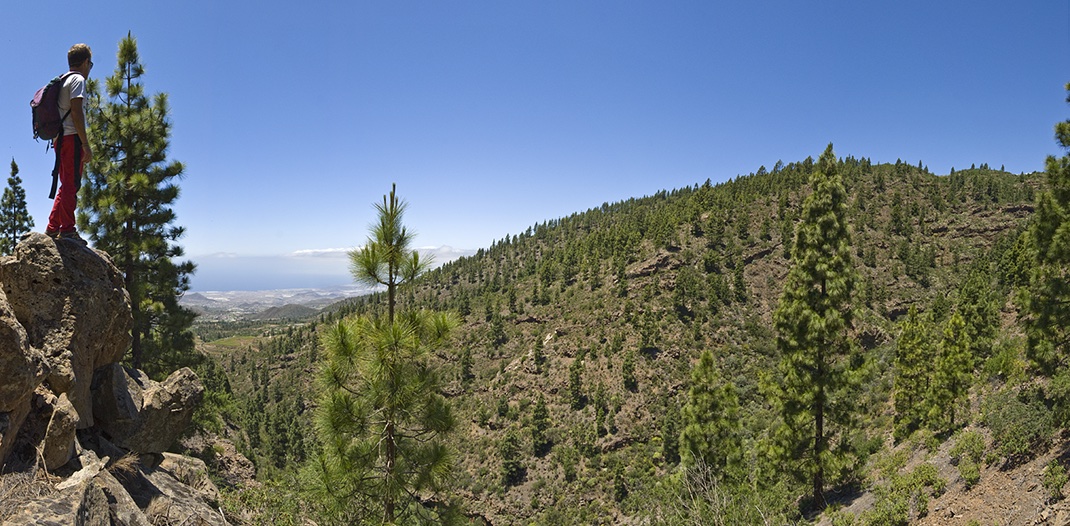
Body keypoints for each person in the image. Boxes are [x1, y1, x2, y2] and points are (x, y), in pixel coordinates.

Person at [45, 43, 93, 243]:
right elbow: (76, 112)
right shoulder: (77, 79)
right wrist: (85, 144)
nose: (90, 68)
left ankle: (52, 227)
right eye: (90, 64)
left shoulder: (64, 79)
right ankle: (67, 230)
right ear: (85, 62)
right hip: (71, 138)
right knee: (71, 185)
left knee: (67, 185)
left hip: (60, 139)